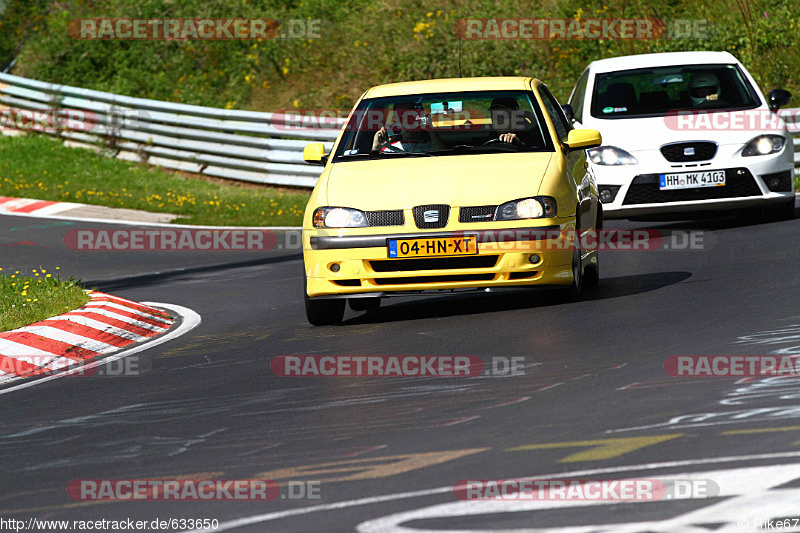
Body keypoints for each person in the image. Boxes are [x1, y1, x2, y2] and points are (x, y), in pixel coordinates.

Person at [372, 102, 444, 153]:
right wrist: (376, 147)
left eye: (409, 116)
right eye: (400, 116)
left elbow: (443, 155)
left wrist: (431, 131)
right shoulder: (389, 149)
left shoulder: (433, 145)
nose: (405, 121)